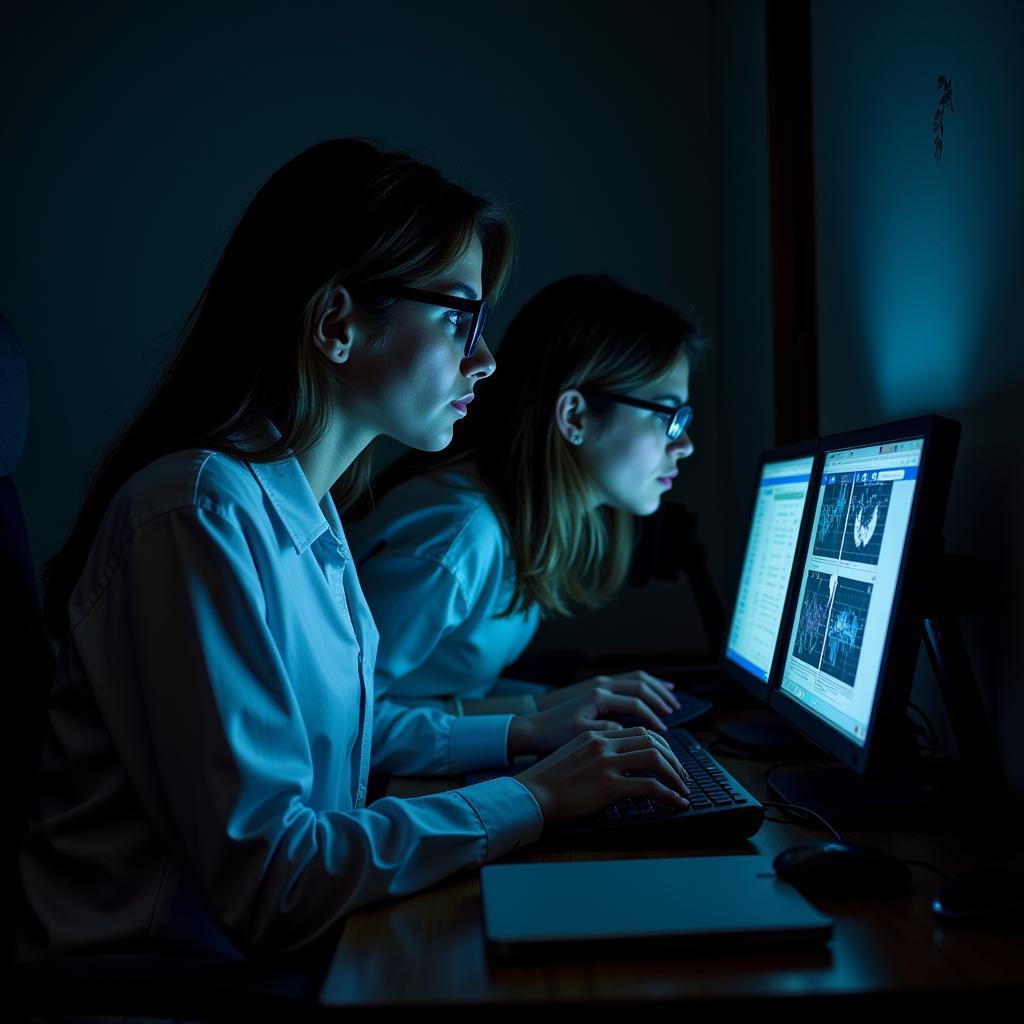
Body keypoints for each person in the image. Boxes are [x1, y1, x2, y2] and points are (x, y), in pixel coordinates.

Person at [18, 140, 691, 965]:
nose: (485, 360)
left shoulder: (307, 514)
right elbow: (272, 879)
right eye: (458, 319)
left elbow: (344, 739)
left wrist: (523, 736)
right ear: (336, 324)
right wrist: (536, 796)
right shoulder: (196, 514)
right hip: (166, 989)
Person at [347, 275, 703, 732]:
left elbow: (439, 698)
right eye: (670, 416)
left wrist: (554, 704)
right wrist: (527, 728)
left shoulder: (522, 521)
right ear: (574, 416)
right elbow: (342, 724)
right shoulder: (460, 534)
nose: (686, 445)